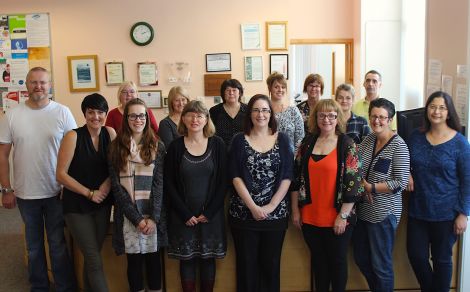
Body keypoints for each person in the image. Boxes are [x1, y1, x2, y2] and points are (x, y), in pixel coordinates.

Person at [0, 67, 77, 291]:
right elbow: (2, 155)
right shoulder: (12, 115)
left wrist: (68, 184)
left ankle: (64, 287)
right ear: (26, 85)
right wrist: (6, 189)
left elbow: (74, 152)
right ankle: (39, 287)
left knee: (57, 244)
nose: (38, 86)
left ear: (49, 85)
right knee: (33, 246)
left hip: (56, 191)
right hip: (25, 193)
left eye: (42, 82)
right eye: (33, 82)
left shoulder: (62, 112)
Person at [291, 99, 363, 292]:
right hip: (310, 217)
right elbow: (295, 179)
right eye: (322, 115)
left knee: (337, 264)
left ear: (338, 118)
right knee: (319, 264)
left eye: (331, 115)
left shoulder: (347, 144)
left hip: (337, 218)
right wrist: (295, 212)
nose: (327, 119)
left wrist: (343, 216)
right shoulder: (306, 144)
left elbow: (354, 183)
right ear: (315, 118)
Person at [228, 94, 293, 292]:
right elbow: (235, 176)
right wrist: (254, 207)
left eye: (265, 110)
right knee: (246, 267)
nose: (260, 114)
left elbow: (288, 176)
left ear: (271, 113)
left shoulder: (282, 139)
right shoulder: (239, 140)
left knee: (271, 267)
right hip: (244, 214)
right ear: (249, 114)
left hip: (276, 216)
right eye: (256, 110)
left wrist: (271, 206)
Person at [406, 91, 470, 292]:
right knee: (416, 255)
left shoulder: (460, 142)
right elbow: (405, 161)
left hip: (446, 213)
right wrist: (407, 173)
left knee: (442, 260)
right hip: (418, 210)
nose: (436, 111)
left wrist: (463, 213)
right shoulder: (416, 136)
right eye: (433, 106)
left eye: (442, 107)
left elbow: (467, 180)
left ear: (449, 112)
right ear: (427, 110)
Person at [164, 100, 227, 292]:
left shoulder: (217, 144)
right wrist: (185, 214)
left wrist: (209, 212)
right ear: (183, 118)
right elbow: (169, 183)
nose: (195, 119)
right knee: (187, 261)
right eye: (190, 115)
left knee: (208, 260)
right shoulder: (175, 147)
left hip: (211, 216)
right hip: (183, 217)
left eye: (200, 115)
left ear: (207, 119)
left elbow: (223, 181)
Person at [56, 93, 116, 292]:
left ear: (106, 114)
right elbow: (61, 175)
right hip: (77, 204)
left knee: (94, 257)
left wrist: (104, 189)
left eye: (100, 112)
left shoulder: (111, 133)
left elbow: (116, 168)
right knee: (93, 258)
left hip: (102, 202)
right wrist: (90, 193)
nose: (96, 117)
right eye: (91, 112)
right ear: (84, 113)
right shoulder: (73, 136)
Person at [108, 98, 166, 292]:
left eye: (142, 115)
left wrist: (153, 218)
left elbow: (159, 184)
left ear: (147, 118)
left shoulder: (158, 146)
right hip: (128, 216)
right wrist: (137, 219)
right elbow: (117, 188)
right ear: (126, 118)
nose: (138, 119)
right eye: (133, 115)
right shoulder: (115, 147)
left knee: (153, 262)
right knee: (133, 263)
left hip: (152, 216)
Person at [353, 98, 410, 292]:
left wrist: (372, 188)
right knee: (360, 258)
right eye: (373, 116)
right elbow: (356, 166)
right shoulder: (368, 139)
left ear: (390, 120)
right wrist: (363, 185)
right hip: (363, 212)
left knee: (381, 266)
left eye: (382, 117)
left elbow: (400, 183)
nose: (377, 121)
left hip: (384, 214)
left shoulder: (399, 146)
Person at [266, 72, 304, 154]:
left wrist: (293, 156)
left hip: (289, 157)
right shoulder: (264, 110)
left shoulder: (293, 110)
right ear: (270, 88)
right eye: (276, 87)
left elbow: (300, 137)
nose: (280, 90)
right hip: (266, 157)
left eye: (283, 87)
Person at [209, 79, 248, 149]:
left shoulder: (248, 110)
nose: (231, 93)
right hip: (220, 150)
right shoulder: (214, 111)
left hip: (243, 149)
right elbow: (210, 132)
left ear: (240, 93)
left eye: (234, 90)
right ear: (223, 93)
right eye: (228, 90)